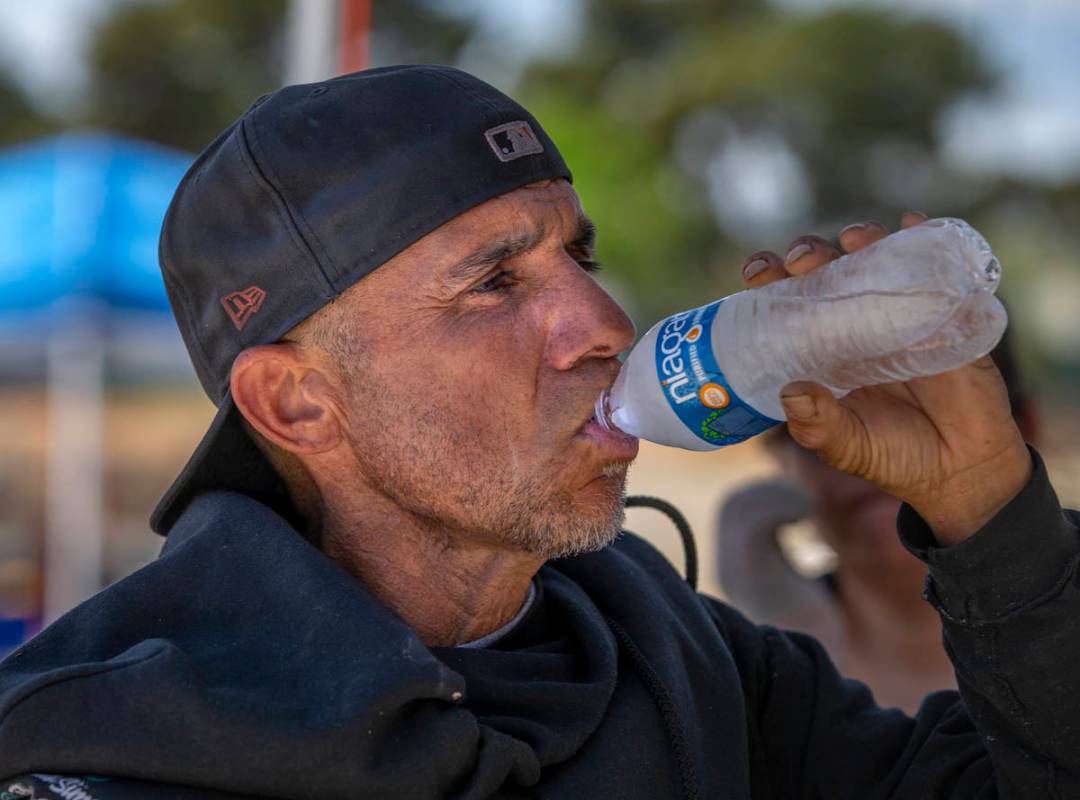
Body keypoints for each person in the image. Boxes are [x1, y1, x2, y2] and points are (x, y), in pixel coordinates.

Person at [0, 65, 1076, 799]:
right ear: (296, 402)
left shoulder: (671, 648)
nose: (605, 327)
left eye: (583, 261)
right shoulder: (111, 745)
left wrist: (991, 508)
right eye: (495, 281)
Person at [717, 323, 1041, 714]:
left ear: (1023, 427)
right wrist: (784, 674)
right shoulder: (756, 671)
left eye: (914, 409)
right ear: (781, 461)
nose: (871, 458)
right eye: (819, 420)